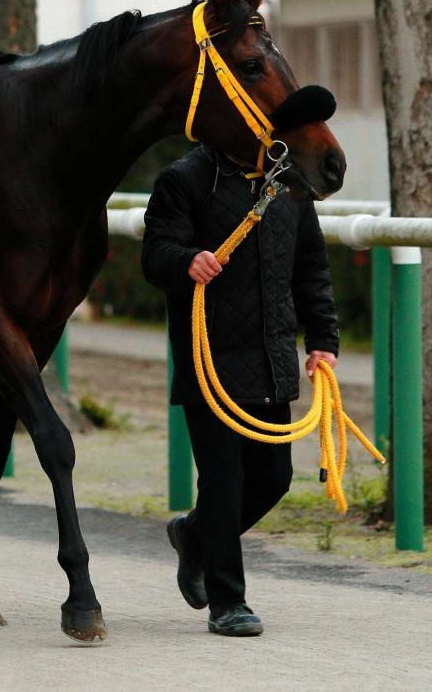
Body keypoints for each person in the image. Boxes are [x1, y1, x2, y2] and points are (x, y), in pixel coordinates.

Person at [142, 143, 339, 637]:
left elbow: (310, 267)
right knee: (224, 484)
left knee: (273, 479)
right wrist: (187, 260)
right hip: (208, 360)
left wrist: (322, 341)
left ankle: (193, 534)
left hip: (271, 360)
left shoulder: (290, 183)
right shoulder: (186, 178)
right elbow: (155, 255)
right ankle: (228, 601)